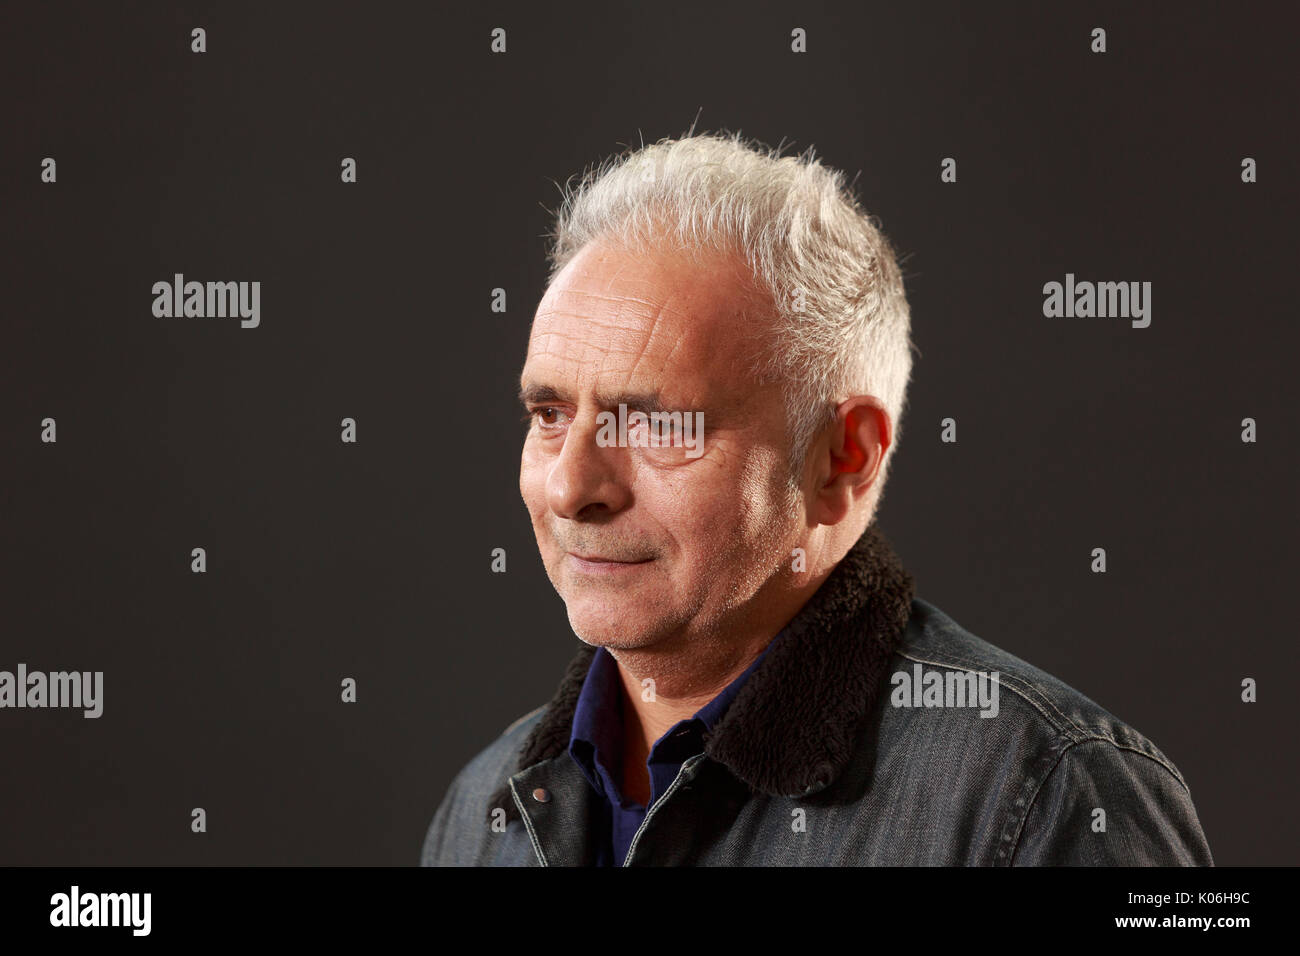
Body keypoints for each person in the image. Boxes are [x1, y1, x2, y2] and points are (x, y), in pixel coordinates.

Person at [420, 130, 1213, 866]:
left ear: (844, 459)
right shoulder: (482, 811)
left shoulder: (1051, 797)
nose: (570, 487)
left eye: (659, 425)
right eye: (550, 414)